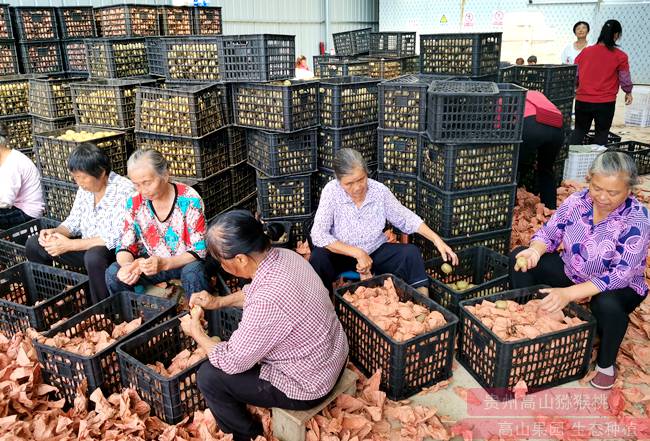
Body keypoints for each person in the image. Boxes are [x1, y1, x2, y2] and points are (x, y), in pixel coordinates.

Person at [181, 210, 348, 441]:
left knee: (209, 376)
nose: (220, 265)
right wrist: (217, 301)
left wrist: (196, 332)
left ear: (240, 259)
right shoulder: (285, 256)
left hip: (310, 384)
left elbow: (230, 362)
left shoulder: (267, 300)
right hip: (335, 355)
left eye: (221, 260)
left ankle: (247, 435)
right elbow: (254, 293)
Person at [510, 152, 649, 390]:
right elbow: (549, 233)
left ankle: (606, 364)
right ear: (589, 180)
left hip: (618, 286)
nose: (602, 197)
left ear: (629, 189)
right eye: (596, 188)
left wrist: (568, 294)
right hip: (573, 270)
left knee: (606, 305)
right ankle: (526, 319)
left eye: (613, 192)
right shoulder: (577, 201)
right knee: (520, 258)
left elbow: (620, 274)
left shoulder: (638, 218)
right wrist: (535, 250)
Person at [309, 148, 458, 296]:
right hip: (342, 254)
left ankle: (423, 304)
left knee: (410, 254)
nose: (357, 187)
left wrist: (436, 239)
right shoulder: (331, 191)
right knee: (318, 258)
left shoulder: (379, 192)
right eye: (349, 183)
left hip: (374, 251)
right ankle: (322, 304)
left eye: (361, 179)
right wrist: (357, 253)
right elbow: (318, 234)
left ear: (367, 173)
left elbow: (406, 218)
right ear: (339, 180)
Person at [25, 144, 132, 304]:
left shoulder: (125, 190)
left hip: (115, 251)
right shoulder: (86, 188)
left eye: (82, 177)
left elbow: (116, 237)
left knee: (94, 256)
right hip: (83, 245)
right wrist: (56, 232)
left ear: (102, 173)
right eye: (75, 177)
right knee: (34, 244)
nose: (79, 183)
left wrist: (70, 245)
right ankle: (53, 300)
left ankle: (104, 312)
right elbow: (73, 221)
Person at [105, 149, 209, 298]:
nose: (142, 190)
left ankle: (197, 318)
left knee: (194, 272)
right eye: (136, 184)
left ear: (165, 175)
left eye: (147, 183)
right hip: (152, 263)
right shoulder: (134, 202)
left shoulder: (189, 199)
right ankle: (132, 318)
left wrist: (164, 263)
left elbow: (199, 250)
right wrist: (127, 267)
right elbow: (126, 245)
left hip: (184, 262)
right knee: (113, 273)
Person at [568, 20, 633, 146]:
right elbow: (625, 78)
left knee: (579, 131)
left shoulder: (585, 52)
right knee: (601, 133)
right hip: (605, 102)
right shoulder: (620, 56)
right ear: (616, 35)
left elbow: (575, 75)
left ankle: (568, 160)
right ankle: (597, 163)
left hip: (583, 100)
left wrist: (577, 88)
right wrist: (628, 92)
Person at [518, 90, 565, 209]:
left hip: (531, 126)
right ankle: (550, 208)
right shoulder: (535, 93)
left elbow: (500, 127)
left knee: (513, 167)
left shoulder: (507, 97)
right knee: (546, 169)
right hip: (557, 127)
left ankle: (509, 208)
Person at [0, 122, 44, 229]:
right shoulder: (6, 158)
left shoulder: (12, 164)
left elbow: (4, 202)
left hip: (28, 213)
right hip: (15, 205)